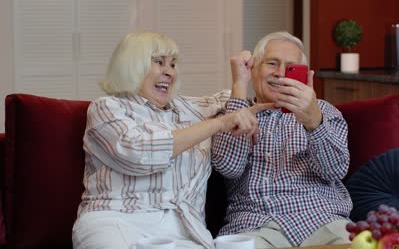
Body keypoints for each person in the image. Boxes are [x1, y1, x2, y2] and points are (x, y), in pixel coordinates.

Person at [72, 31, 271, 249]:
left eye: (173, 65)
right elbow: (138, 152)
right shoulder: (108, 107)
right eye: (159, 62)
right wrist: (220, 123)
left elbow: (235, 103)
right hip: (118, 219)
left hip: (182, 227)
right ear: (132, 65)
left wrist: (242, 79)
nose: (169, 73)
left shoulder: (192, 109)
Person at [211, 31, 352, 248]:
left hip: (322, 220)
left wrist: (313, 122)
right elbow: (229, 167)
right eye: (272, 63)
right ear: (254, 68)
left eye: (290, 67)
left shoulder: (324, 112)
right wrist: (239, 86)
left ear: (304, 76)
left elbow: (334, 171)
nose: (280, 74)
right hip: (256, 225)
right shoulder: (231, 112)